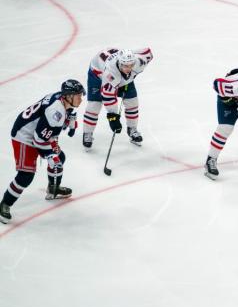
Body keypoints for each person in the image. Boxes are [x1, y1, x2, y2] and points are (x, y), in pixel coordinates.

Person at [0, 79, 85, 224]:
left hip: (37, 133)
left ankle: (53, 189)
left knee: (60, 158)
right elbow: (38, 139)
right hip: (24, 136)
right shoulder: (56, 111)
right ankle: (5, 204)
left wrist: (69, 121)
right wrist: (50, 155)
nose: (81, 99)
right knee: (26, 175)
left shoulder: (61, 99)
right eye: (77, 95)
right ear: (68, 96)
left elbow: (51, 129)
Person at [82, 47, 154, 149]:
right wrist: (113, 117)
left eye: (131, 65)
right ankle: (87, 133)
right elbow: (108, 97)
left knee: (132, 102)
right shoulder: (110, 73)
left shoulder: (139, 61)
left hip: (121, 77)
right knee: (94, 105)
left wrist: (132, 52)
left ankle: (132, 129)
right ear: (120, 63)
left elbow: (147, 52)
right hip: (97, 74)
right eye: (125, 66)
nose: (129, 69)